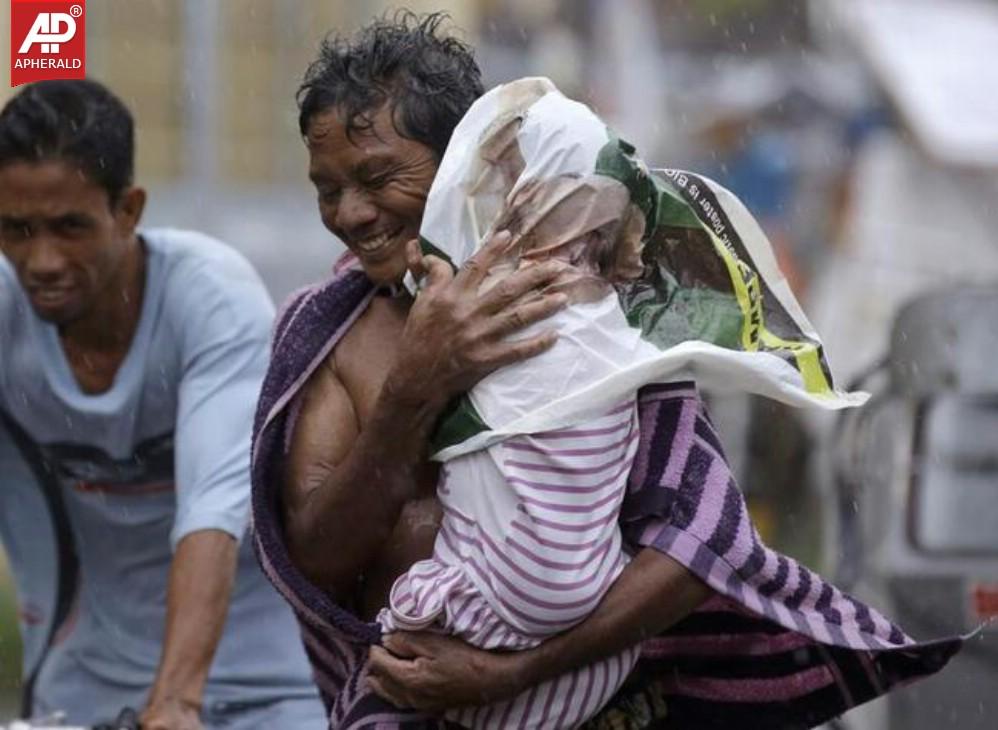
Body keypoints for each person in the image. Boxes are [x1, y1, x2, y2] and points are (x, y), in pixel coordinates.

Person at [250, 12, 962, 729]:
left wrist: (509, 673)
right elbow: (316, 560)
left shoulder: (594, 317)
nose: (350, 213)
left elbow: (699, 546)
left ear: (470, 160)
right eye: (326, 189)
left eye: (377, 177)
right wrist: (417, 386)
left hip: (600, 707)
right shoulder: (330, 335)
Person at [0, 80, 326, 729]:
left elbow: (210, 508)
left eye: (70, 228)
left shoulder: (211, 300)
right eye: (16, 229)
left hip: (266, 682)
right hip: (84, 686)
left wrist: (175, 706)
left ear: (129, 210)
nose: (41, 260)